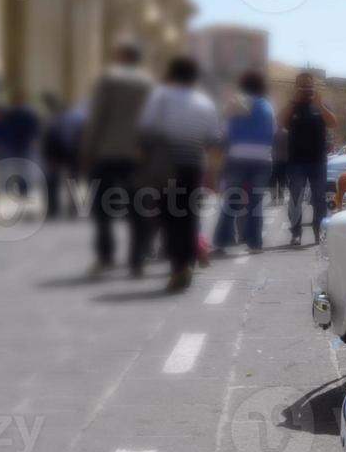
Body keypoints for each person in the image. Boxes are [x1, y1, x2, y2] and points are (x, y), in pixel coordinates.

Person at [137, 57, 220, 293]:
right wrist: (213, 175)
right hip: (193, 167)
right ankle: (186, 265)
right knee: (189, 217)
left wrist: (142, 165)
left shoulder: (160, 97)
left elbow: (145, 132)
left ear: (171, 74)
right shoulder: (205, 103)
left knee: (169, 219)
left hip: (165, 168)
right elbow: (213, 141)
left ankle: (178, 268)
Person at [80, 41, 155, 276]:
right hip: (138, 154)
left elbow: (97, 116)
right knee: (139, 207)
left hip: (107, 152)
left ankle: (106, 256)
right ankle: (137, 259)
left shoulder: (109, 78)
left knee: (102, 208)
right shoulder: (148, 83)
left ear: (121, 56)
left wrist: (88, 150)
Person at [211, 70, 275, 256]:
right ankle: (255, 244)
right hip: (262, 158)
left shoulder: (235, 104)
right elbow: (272, 132)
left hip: (237, 157)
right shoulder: (267, 106)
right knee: (256, 202)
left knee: (231, 201)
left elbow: (224, 131)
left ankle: (221, 242)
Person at [283, 72, 335, 248]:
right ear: (296, 87)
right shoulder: (293, 106)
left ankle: (318, 234)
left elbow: (333, 123)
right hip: (296, 161)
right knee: (296, 199)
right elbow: (280, 122)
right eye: (303, 86)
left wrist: (319, 105)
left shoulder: (319, 105)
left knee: (319, 199)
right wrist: (293, 102)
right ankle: (296, 234)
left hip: (318, 161)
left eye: (309, 86)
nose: (307, 89)